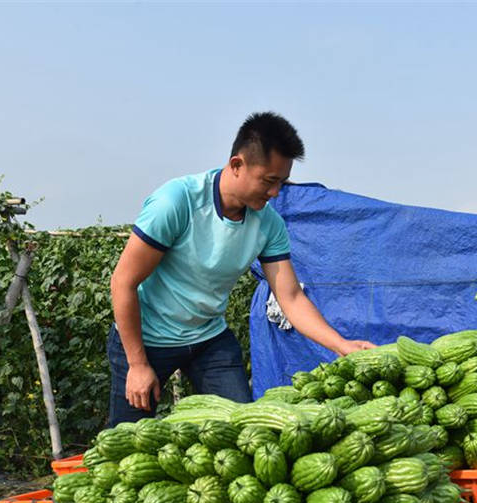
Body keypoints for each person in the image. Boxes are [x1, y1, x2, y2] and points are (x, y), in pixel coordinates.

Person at [107, 111, 374, 426]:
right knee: (127, 442)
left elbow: (290, 298)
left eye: (281, 182)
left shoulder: (268, 224)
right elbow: (123, 282)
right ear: (237, 165)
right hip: (147, 338)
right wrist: (137, 364)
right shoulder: (177, 202)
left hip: (209, 338)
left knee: (243, 429)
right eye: (269, 181)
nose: (275, 192)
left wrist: (342, 345)